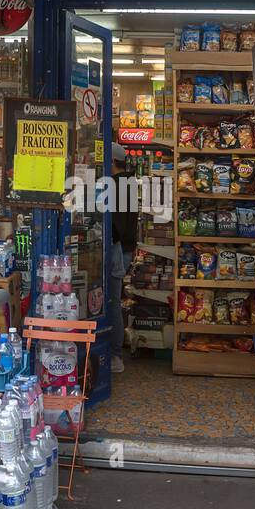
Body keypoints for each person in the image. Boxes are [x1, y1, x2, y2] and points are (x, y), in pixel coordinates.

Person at [108, 144, 137, 373]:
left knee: (112, 301)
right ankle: (115, 353)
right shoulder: (129, 183)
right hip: (125, 249)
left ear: (112, 162)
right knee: (112, 300)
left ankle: (115, 356)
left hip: (117, 249)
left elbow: (116, 225)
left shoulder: (117, 185)